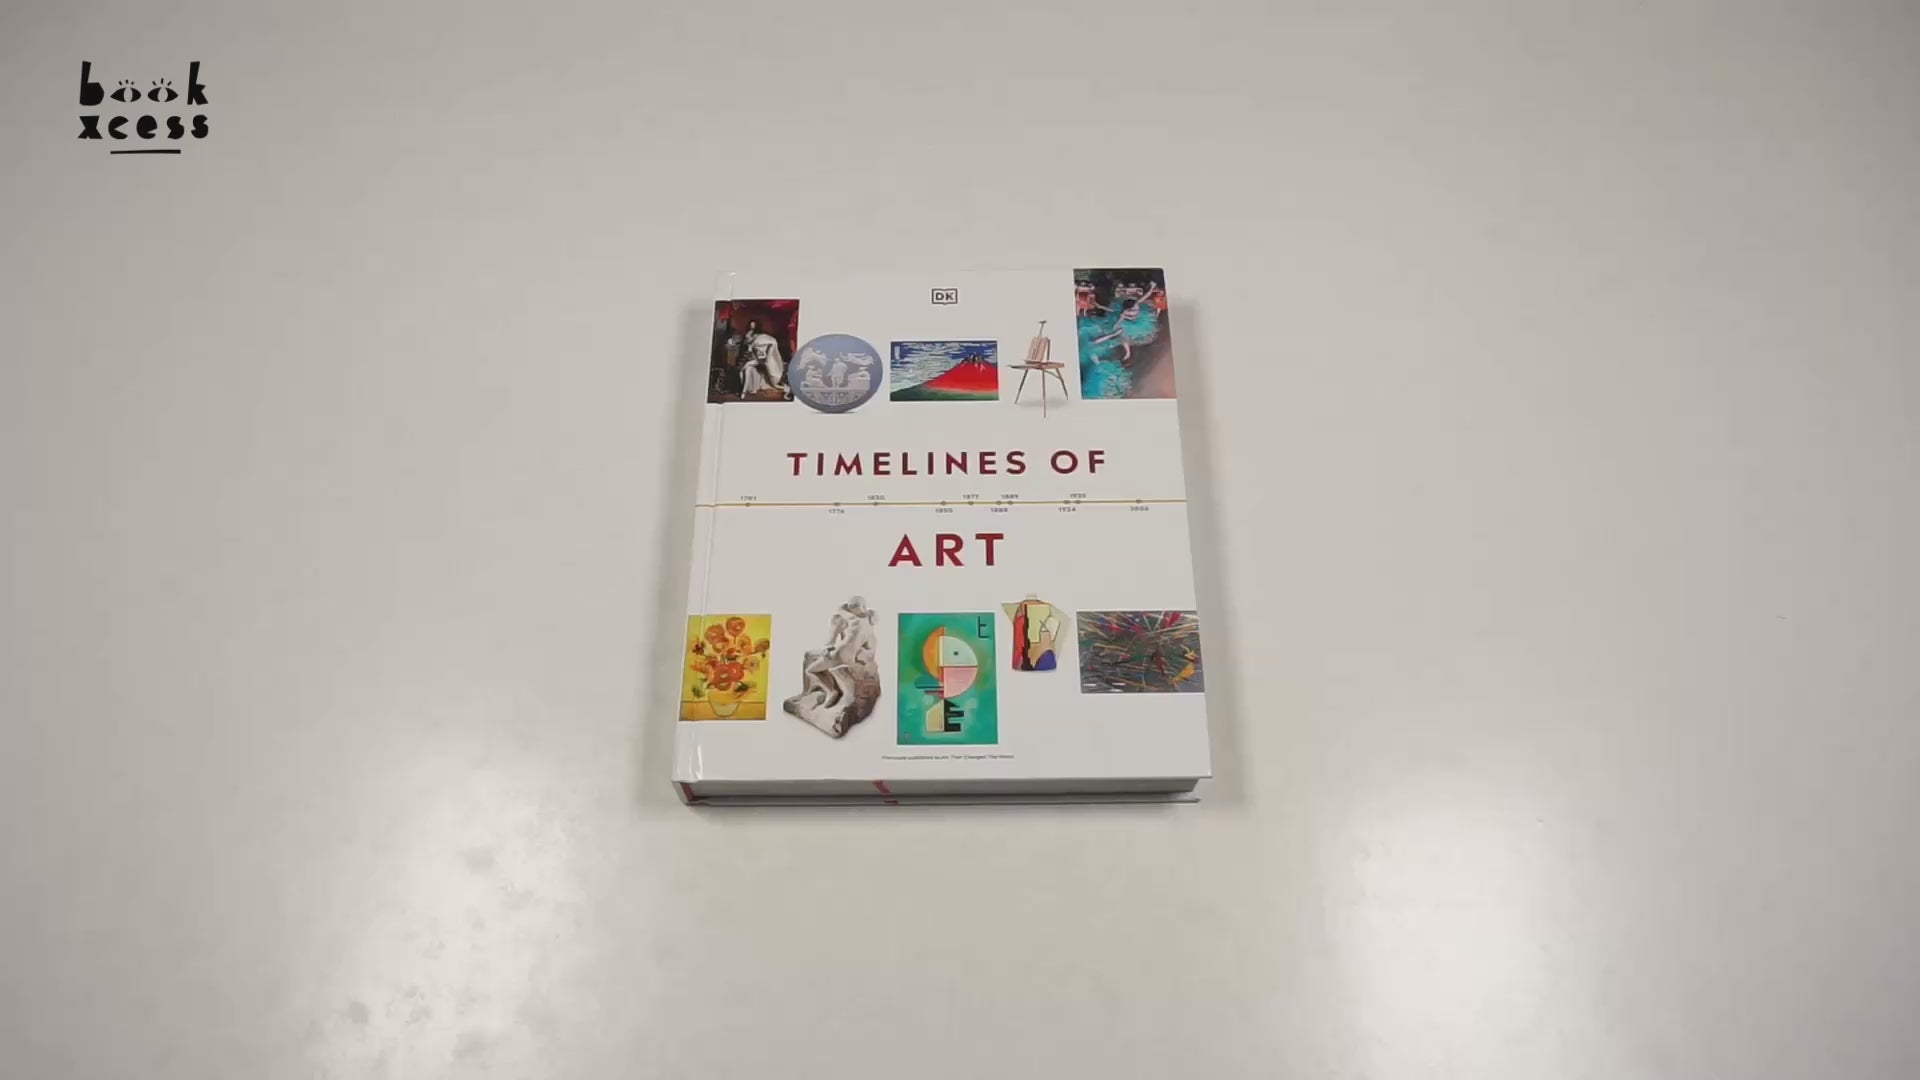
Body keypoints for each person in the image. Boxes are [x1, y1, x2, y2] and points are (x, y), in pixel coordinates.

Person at [739, 319, 786, 398]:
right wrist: (749, 345)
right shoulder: (748, 335)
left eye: (753, 324)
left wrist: (764, 352)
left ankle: (745, 392)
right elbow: (746, 345)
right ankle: (744, 392)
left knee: (748, 366)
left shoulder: (761, 337)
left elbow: (772, 342)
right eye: (751, 325)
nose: (752, 326)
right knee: (748, 370)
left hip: (759, 359)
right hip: (751, 358)